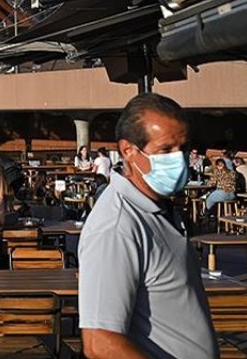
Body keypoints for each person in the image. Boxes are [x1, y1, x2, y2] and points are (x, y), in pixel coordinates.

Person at [78, 93, 217, 359]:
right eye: (165, 150)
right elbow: (100, 343)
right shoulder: (116, 226)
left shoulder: (158, 207)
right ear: (128, 151)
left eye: (183, 149)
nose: (179, 160)